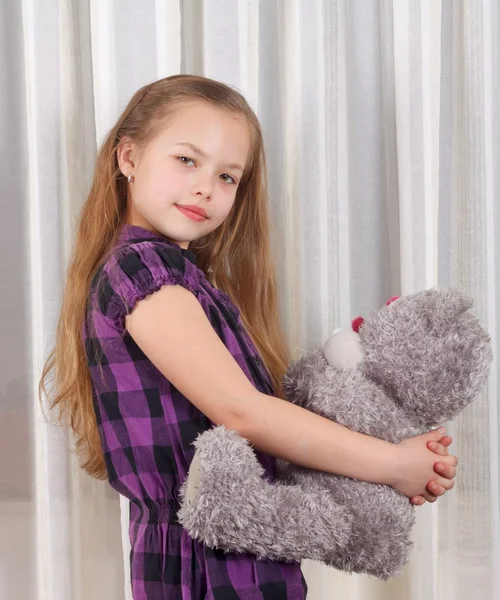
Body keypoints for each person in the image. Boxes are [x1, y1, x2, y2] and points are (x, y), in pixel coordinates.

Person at [39, 74, 458, 600]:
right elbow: (245, 413)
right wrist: (396, 465)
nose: (205, 187)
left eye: (228, 176)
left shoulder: (184, 278)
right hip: (206, 564)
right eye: (187, 160)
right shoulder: (143, 269)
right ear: (128, 157)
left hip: (238, 551)